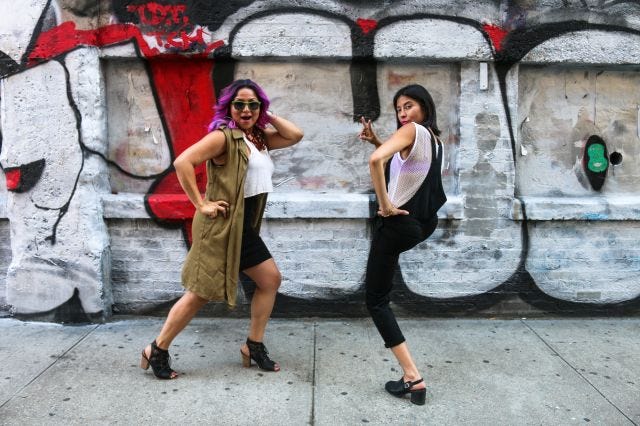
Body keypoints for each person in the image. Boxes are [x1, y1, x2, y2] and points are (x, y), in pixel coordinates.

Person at [140, 79, 303, 379]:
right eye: (239, 104)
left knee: (269, 280)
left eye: (253, 104)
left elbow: (295, 135)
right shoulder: (223, 138)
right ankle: (157, 348)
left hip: (244, 227)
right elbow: (183, 162)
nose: (246, 110)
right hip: (221, 226)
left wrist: (266, 113)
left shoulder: (258, 138)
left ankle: (253, 345)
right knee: (200, 292)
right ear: (229, 107)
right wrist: (201, 204)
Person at [358, 84, 447, 405]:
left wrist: (385, 206)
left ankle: (413, 376)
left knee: (376, 301)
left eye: (409, 106)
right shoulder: (434, 140)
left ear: (424, 106)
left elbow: (376, 161)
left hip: (397, 224)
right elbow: (403, 166)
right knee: (382, 290)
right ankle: (411, 376)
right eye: (398, 109)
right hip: (422, 224)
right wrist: (378, 141)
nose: (403, 113)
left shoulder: (411, 131)